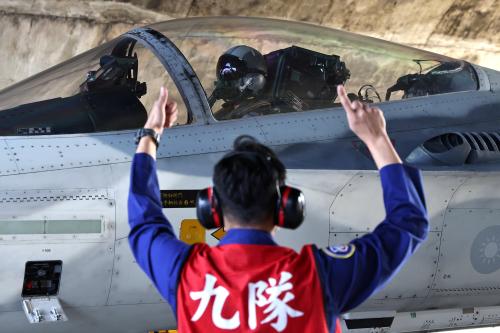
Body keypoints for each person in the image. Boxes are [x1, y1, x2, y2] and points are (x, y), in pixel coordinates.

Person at [128, 85, 428, 332]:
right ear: (285, 206)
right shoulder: (319, 275)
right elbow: (407, 224)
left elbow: (144, 221)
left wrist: (151, 134)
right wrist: (376, 139)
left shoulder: (184, 272)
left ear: (211, 207)